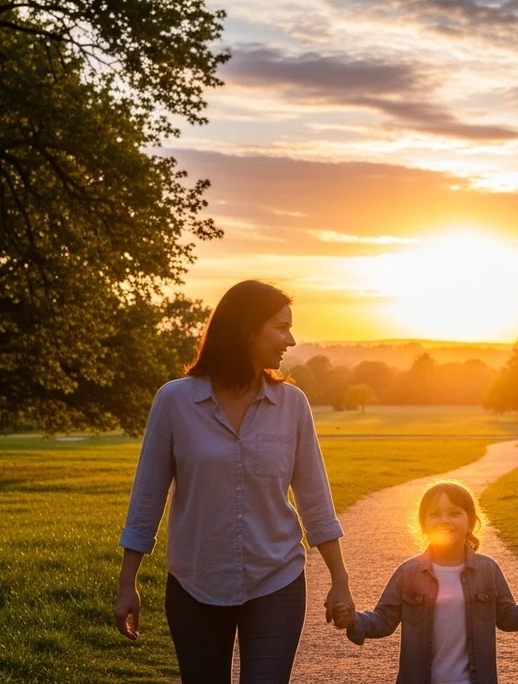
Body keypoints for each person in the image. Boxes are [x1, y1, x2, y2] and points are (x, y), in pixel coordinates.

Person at [113, 280, 355, 683]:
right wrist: (127, 583)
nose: (290, 340)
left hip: (277, 577)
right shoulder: (174, 402)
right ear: (247, 329)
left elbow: (315, 498)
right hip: (195, 582)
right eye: (281, 327)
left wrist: (340, 580)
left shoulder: (292, 405)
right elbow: (147, 498)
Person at [331, 481, 518, 684]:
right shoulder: (408, 572)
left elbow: (505, 616)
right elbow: (384, 619)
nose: (445, 520)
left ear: (471, 523)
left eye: (455, 513)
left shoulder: (488, 569)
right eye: (435, 514)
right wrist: (353, 620)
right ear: (424, 524)